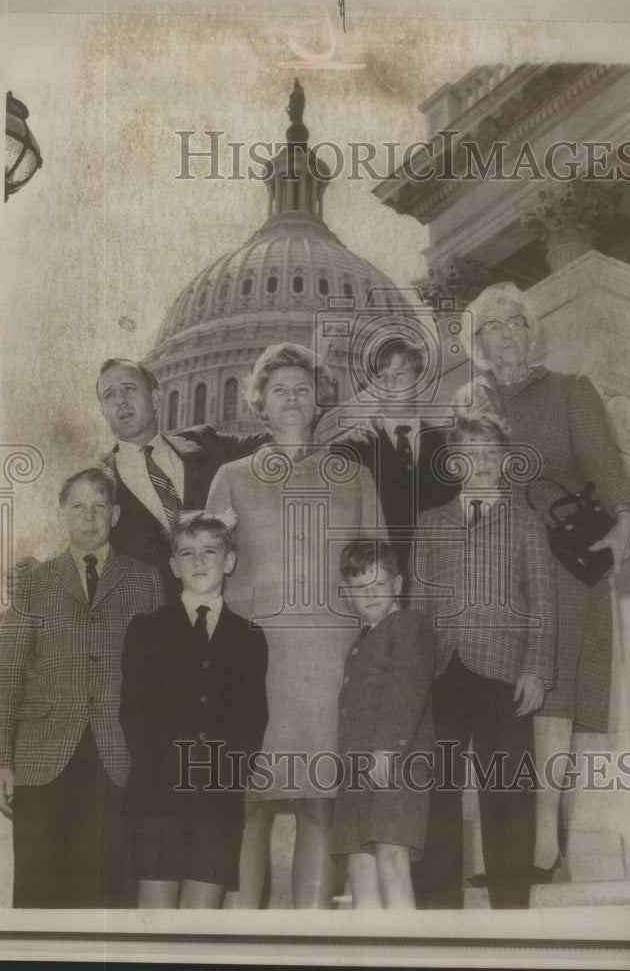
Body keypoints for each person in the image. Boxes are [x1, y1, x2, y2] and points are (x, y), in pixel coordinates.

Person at [457, 282, 630, 877]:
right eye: (493, 326)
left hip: (561, 567)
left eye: (516, 322)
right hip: (490, 569)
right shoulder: (466, 402)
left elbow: (608, 470)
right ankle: (487, 846)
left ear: (531, 331)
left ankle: (544, 843)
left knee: (551, 707)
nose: (507, 334)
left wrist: (626, 522)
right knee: (488, 699)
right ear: (479, 342)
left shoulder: (569, 392)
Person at [206, 342, 385, 909]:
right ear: (258, 401)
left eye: (302, 388)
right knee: (249, 805)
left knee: (320, 802)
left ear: (318, 401)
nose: (291, 398)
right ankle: (241, 941)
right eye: (279, 388)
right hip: (254, 665)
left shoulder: (354, 477)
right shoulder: (231, 478)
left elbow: (377, 576)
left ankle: (308, 937)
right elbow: (207, 578)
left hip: (331, 662)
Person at [0, 467, 165, 908]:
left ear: (115, 514)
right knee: (38, 890)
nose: (88, 516)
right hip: (41, 753)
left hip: (116, 752)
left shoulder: (146, 580)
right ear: (61, 515)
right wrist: (2, 760)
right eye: (78, 507)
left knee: (106, 891)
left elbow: (162, 680)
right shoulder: (30, 582)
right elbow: (10, 676)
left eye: (99, 506)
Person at [410, 416, 555, 909]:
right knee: (436, 791)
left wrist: (536, 669)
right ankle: (437, 907)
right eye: (469, 453)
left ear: (505, 460)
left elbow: (543, 602)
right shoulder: (430, 523)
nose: (481, 462)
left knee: (509, 791)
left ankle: (511, 908)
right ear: (454, 463)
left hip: (504, 672)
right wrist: (414, 678)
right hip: (442, 671)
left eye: (490, 452)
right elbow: (418, 607)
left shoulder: (527, 522)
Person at [119, 511, 268, 909]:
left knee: (200, 920)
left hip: (218, 800)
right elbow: (133, 713)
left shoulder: (249, 637)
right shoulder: (146, 629)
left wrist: (229, 773)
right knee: (157, 916)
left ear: (230, 561)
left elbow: (254, 718)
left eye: (209, 552)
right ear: (173, 566)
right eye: (187, 554)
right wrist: (161, 769)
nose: (199, 562)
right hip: (157, 796)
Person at [98, 358, 266, 592]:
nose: (120, 401)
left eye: (129, 389)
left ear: (156, 399)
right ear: (103, 412)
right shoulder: (97, 483)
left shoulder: (205, 444)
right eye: (109, 395)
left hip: (225, 616)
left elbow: (277, 443)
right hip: (146, 623)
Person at [331, 540, 434, 910]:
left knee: (392, 857)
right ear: (347, 594)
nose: (369, 594)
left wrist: (387, 748)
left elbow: (406, 687)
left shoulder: (408, 625)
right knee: (359, 863)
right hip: (358, 770)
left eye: (378, 584)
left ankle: (405, 951)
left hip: (397, 764)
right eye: (359, 587)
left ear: (398, 584)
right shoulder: (361, 641)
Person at [325, 338, 456, 578]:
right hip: (380, 588)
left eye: (400, 373)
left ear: (421, 381)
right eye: (380, 376)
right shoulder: (351, 449)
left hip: (442, 577)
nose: (389, 383)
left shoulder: (446, 445)